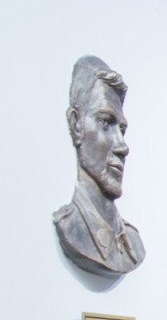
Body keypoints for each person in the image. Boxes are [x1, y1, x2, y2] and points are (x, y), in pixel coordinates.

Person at [53, 55, 145, 276]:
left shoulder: (134, 244)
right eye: (105, 122)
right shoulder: (71, 228)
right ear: (76, 125)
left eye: (121, 130)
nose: (122, 146)